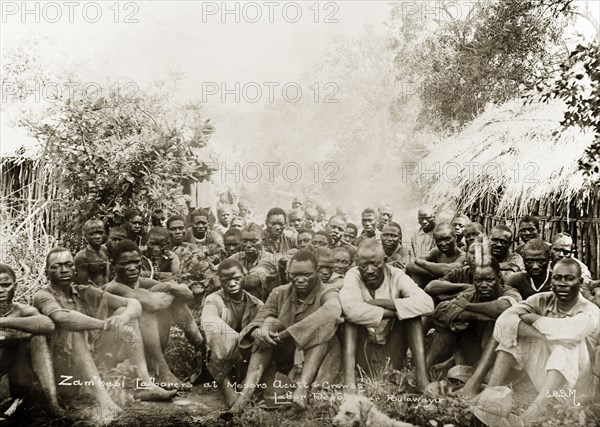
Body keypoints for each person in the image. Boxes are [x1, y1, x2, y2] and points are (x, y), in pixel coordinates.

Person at [34, 248, 176, 423]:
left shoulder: (84, 291)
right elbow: (62, 318)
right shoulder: (42, 296)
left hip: (92, 359)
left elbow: (133, 303)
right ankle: (104, 400)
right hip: (62, 367)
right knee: (76, 332)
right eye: (57, 266)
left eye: (69, 265)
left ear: (75, 269)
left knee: (125, 313)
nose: (64, 270)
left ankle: (145, 384)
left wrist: (123, 316)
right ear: (47, 271)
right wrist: (103, 325)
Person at [480, 259, 599, 415]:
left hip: (578, 387)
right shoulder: (542, 299)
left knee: (569, 343)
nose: (562, 283)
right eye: (558, 278)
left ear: (580, 281)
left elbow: (569, 333)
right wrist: (545, 337)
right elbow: (505, 322)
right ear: (552, 280)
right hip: (548, 379)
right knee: (515, 335)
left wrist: (532, 318)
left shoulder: (590, 311)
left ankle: (535, 410)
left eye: (569, 278)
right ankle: (490, 394)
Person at [231, 250, 342, 412]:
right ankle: (244, 397)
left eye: (307, 274)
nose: (300, 279)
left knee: (323, 332)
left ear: (317, 273)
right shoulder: (280, 292)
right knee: (270, 323)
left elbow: (332, 311)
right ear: (288, 273)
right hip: (285, 354)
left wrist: (287, 334)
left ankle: (302, 389)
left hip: (315, 357)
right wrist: (258, 332)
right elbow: (259, 319)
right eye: (295, 274)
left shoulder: (328, 291)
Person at [105, 240, 204, 387]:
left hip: (142, 352)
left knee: (177, 303)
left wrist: (170, 286)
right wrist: (171, 291)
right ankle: (161, 370)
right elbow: (155, 303)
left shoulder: (141, 282)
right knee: (145, 307)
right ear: (113, 265)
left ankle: (203, 351)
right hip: (120, 355)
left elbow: (188, 296)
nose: (132, 268)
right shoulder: (114, 287)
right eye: (125, 263)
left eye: (135, 262)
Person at [339, 240, 433, 392]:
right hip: (363, 351)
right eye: (364, 265)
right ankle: (350, 382)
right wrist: (396, 312)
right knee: (350, 321)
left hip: (391, 352)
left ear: (385, 261)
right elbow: (351, 310)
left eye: (375, 264)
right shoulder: (353, 275)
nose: (369, 270)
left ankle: (422, 379)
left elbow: (427, 304)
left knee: (413, 318)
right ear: (357, 263)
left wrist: (382, 302)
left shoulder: (397, 275)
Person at [427, 248, 521, 376]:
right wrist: (478, 316)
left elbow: (503, 308)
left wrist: (468, 306)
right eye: (478, 280)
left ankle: (476, 374)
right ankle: (424, 367)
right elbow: (441, 311)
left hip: (497, 354)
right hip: (472, 348)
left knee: (496, 325)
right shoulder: (471, 294)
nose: (483, 285)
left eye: (489, 280)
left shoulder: (510, 292)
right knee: (451, 323)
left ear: (499, 277)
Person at [0, 263, 64, 416]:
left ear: (15, 285)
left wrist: (2, 323)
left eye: (5, 285)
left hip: (18, 376)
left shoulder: (23, 311)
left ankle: (53, 403)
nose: (0, 290)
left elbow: (47, 324)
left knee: (38, 337)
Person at [200, 259, 263, 406]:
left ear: (245, 276)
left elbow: (264, 325)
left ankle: (245, 384)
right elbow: (208, 322)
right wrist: (240, 340)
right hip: (220, 355)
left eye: (237, 279)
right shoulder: (214, 299)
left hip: (247, 355)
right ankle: (226, 386)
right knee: (215, 330)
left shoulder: (256, 304)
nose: (232, 283)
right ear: (219, 281)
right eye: (226, 280)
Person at [406, 223, 466, 288]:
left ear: (455, 238)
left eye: (447, 239)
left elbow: (448, 270)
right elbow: (411, 265)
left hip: (452, 289)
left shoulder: (462, 256)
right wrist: (435, 273)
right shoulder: (437, 252)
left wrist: (424, 264)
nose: (443, 244)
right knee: (417, 275)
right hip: (433, 286)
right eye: (439, 240)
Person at [229, 227, 280, 301]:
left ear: (263, 240)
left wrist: (223, 280)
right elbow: (219, 268)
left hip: (266, 304)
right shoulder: (239, 256)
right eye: (244, 241)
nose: (248, 245)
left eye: (254, 241)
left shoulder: (269, 258)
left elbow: (252, 282)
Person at [74, 219, 111, 286]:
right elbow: (83, 285)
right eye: (92, 234)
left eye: (100, 233)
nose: (97, 237)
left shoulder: (105, 250)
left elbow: (106, 275)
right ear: (85, 236)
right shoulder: (82, 257)